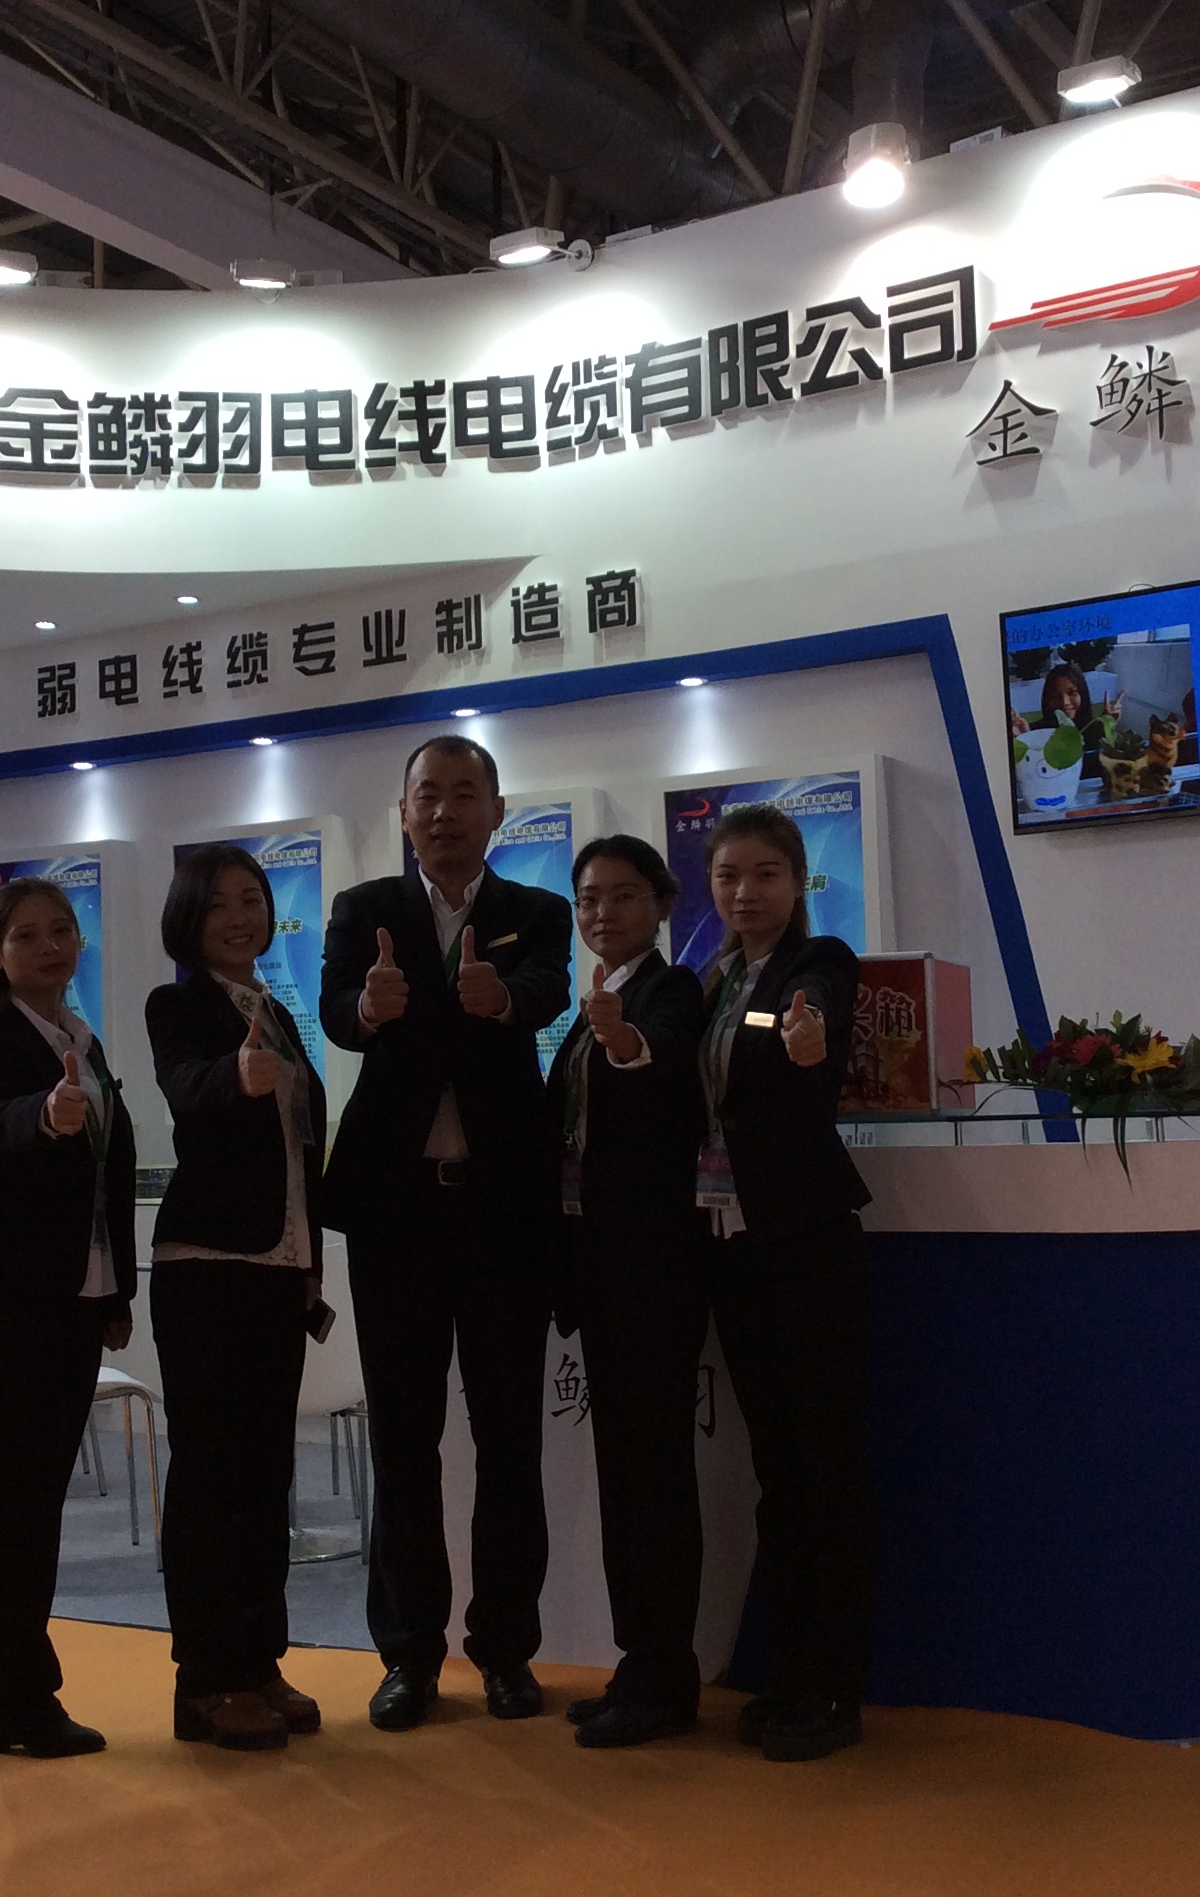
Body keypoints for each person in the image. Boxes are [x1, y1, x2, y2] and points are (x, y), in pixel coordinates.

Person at [319, 734, 571, 1731]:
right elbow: (335, 1009)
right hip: (397, 1213)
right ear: (404, 811)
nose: (446, 811)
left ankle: (505, 1650)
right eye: (429, 794)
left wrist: (505, 999)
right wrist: (363, 1008)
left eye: (466, 794)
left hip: (504, 1211)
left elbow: (550, 987)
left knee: (509, 1439)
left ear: (497, 811)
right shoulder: (364, 910)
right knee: (403, 1438)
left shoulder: (536, 911)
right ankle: (408, 1654)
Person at [0, 876, 136, 1759]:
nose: (49, 947)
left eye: (62, 931)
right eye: (26, 936)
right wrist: (44, 1115)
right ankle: (17, 1700)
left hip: (75, 1296)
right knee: (23, 1505)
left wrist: (116, 1294)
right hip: (3, 1292)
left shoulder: (84, 1039)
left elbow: (109, 1178)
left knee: (29, 1500)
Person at [695, 803, 877, 1763]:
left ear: (798, 882)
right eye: (729, 876)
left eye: (765, 874)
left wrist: (809, 1041)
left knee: (825, 1469)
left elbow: (816, 1023)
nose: (745, 893)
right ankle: (790, 1671)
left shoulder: (818, 964)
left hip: (804, 1244)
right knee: (778, 1471)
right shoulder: (715, 978)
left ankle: (834, 1685)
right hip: (733, 1248)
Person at [143, 844, 329, 1752]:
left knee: (264, 1477)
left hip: (277, 1267)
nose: (239, 917)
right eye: (218, 903)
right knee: (211, 1480)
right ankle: (206, 1679)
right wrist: (234, 1078)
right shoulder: (176, 1004)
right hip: (207, 1267)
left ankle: (257, 1662)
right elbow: (188, 1086)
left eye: (251, 899)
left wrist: (309, 1264)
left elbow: (298, 1146)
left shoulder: (276, 1012)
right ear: (189, 917)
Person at [543, 835, 708, 1750]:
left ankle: (665, 1673)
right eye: (589, 899)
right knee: (626, 1476)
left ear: (662, 903)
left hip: (652, 1272)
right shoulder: (594, 1002)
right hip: (602, 1271)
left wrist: (625, 1041)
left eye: (623, 895)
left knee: (653, 1478)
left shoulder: (668, 991)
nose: (603, 913)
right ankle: (640, 1661)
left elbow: (668, 1058)